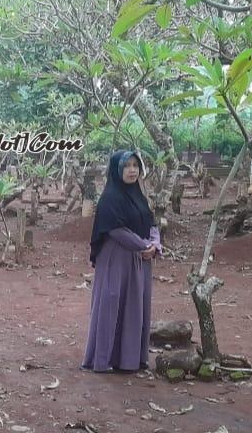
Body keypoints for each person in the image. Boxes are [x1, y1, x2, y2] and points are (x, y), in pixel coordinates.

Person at [82, 149, 162, 373]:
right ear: (117, 170)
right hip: (116, 260)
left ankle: (130, 360)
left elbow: (151, 223)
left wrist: (155, 245)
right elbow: (115, 230)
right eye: (127, 166)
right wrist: (145, 245)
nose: (132, 170)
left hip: (140, 262)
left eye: (135, 165)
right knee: (111, 304)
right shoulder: (109, 198)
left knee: (135, 307)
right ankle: (103, 359)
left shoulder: (140, 197)